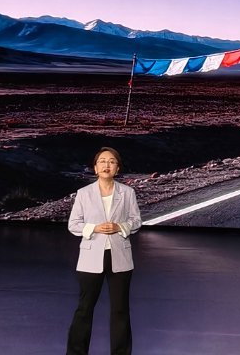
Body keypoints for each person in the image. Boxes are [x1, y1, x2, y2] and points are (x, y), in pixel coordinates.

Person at [66, 146, 141, 355]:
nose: (107, 165)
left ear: (117, 169)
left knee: (120, 310)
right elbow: (73, 224)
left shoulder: (127, 192)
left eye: (111, 161)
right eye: (102, 161)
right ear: (95, 168)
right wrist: (94, 228)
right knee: (84, 309)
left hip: (120, 256)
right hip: (91, 257)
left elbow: (136, 221)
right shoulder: (84, 193)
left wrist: (120, 227)